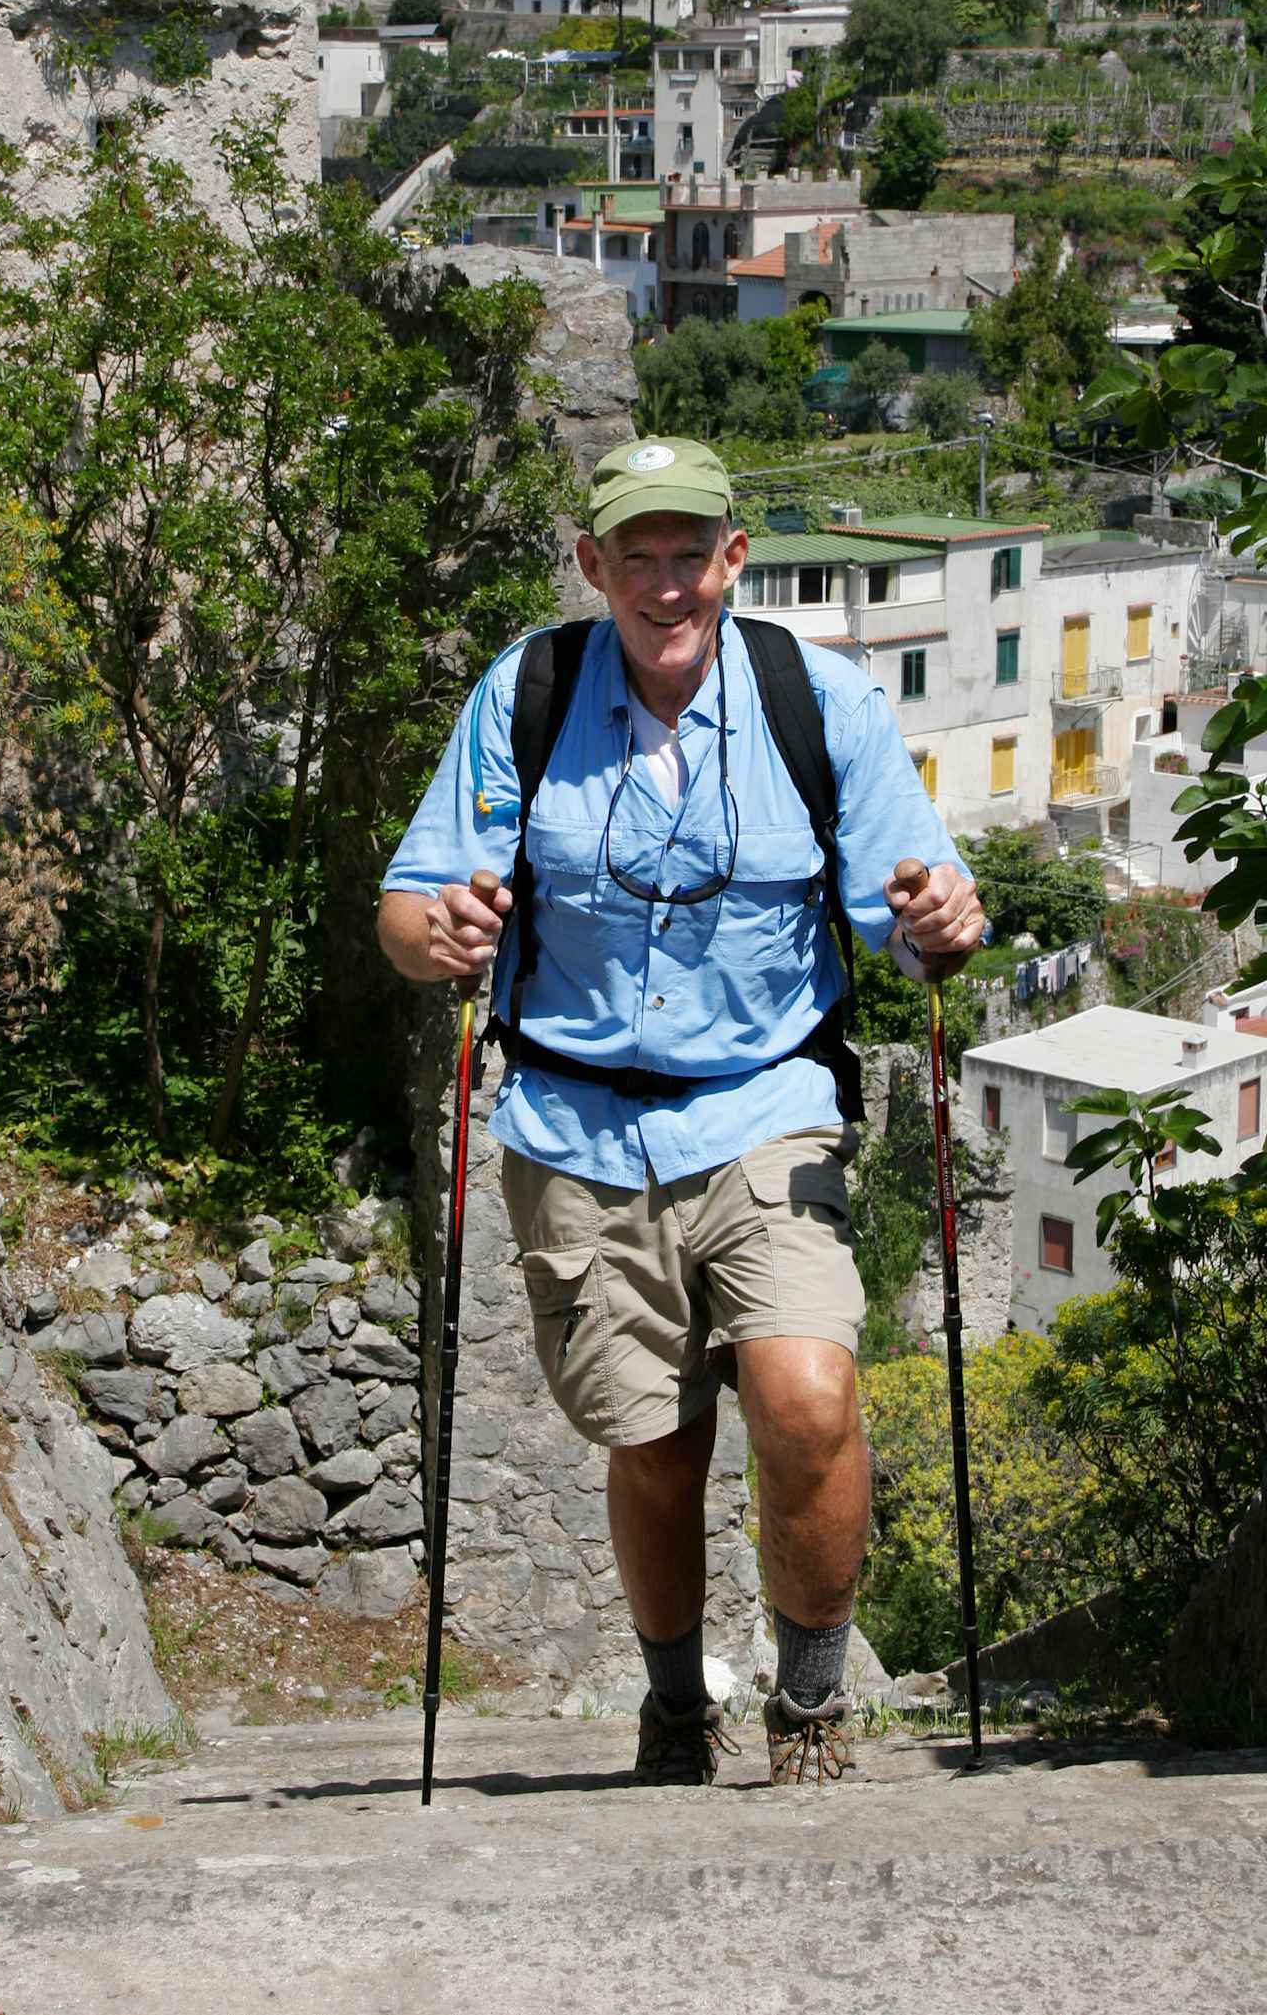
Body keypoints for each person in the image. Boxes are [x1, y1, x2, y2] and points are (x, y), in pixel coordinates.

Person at [378, 436, 984, 1787]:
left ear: (733, 558)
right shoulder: (525, 696)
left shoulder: (814, 700)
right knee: (654, 1445)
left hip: (775, 1110)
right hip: (577, 1133)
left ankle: (813, 1706)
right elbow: (410, 913)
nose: (666, 588)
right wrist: (445, 936)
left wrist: (944, 920)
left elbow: (924, 913)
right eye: (634, 559)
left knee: (809, 1394)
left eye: (688, 556)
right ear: (594, 566)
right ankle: (672, 1706)